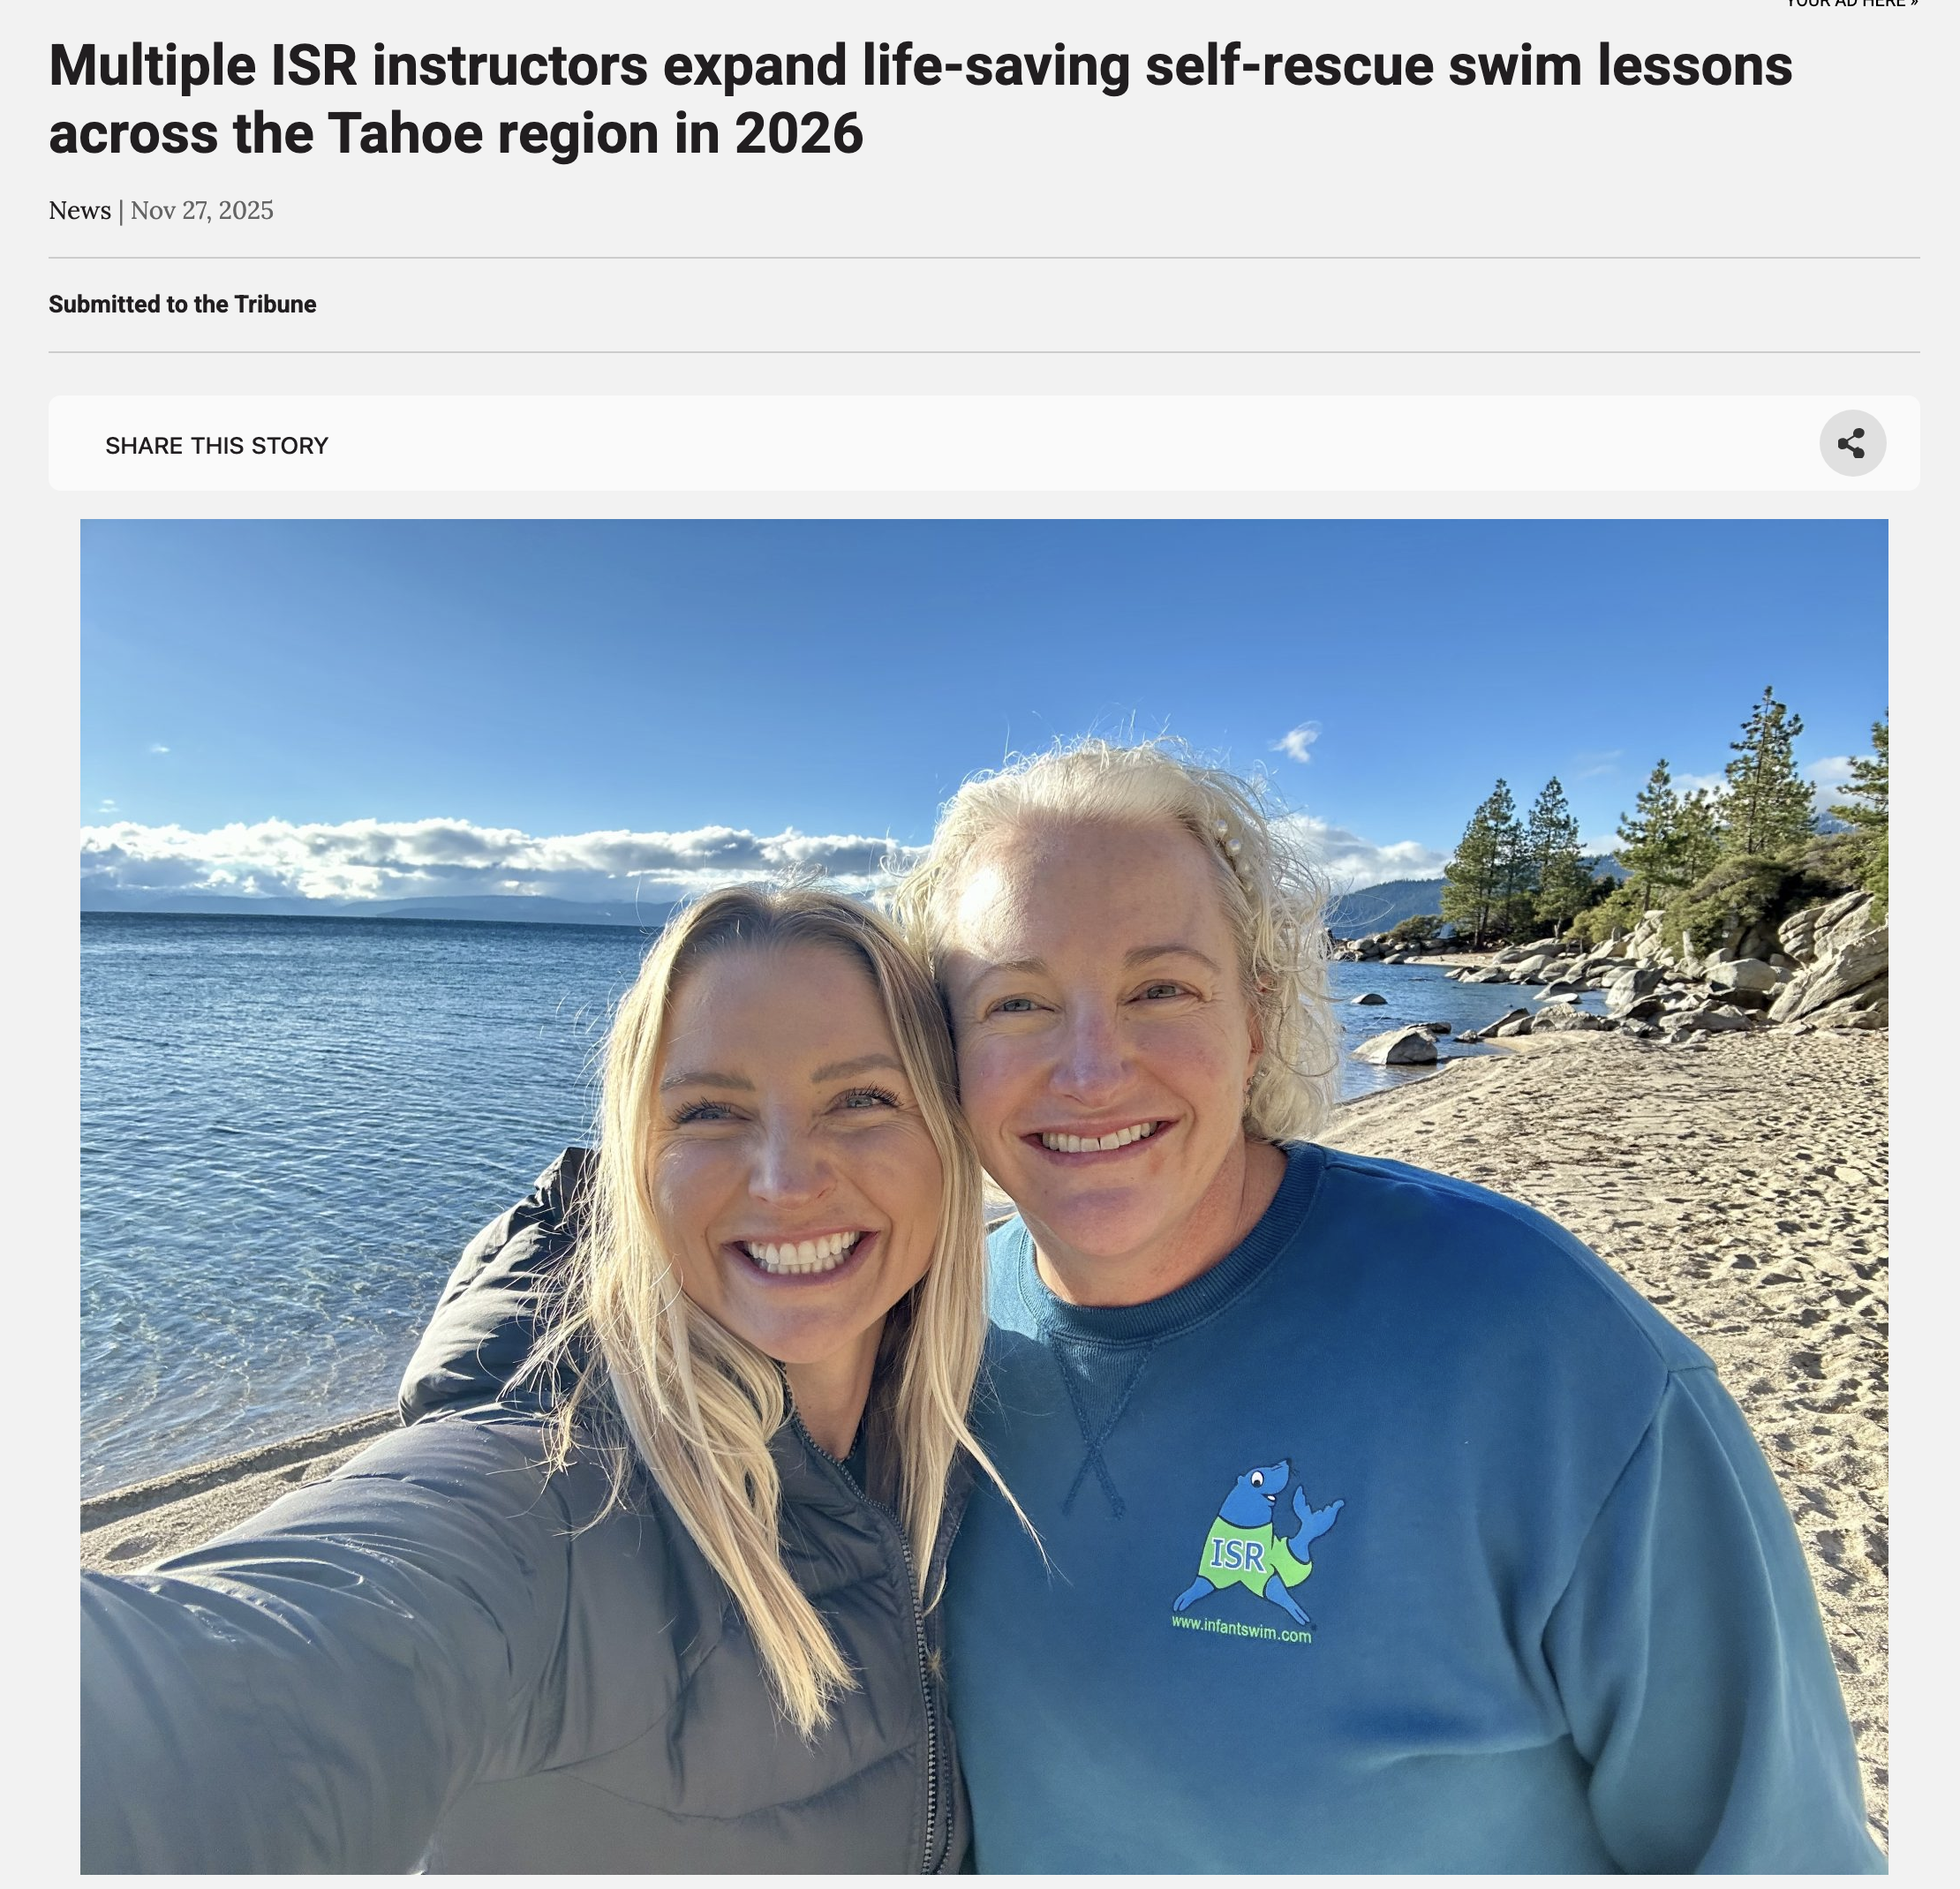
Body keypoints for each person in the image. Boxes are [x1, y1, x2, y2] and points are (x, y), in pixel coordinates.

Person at [380, 739, 1885, 1873]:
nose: (1089, 1070)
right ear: (941, 1056)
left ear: (1261, 1020)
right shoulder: (924, 1348)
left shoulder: (1543, 1360)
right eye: (1017, 1002)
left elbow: (1779, 1846)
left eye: (1161, 989)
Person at [80, 885, 1021, 1872]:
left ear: (949, 1139)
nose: (787, 1177)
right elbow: (243, 1684)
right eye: (708, 1110)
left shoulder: (965, 1426)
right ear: (633, 1163)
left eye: (862, 1099)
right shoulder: (555, 1488)